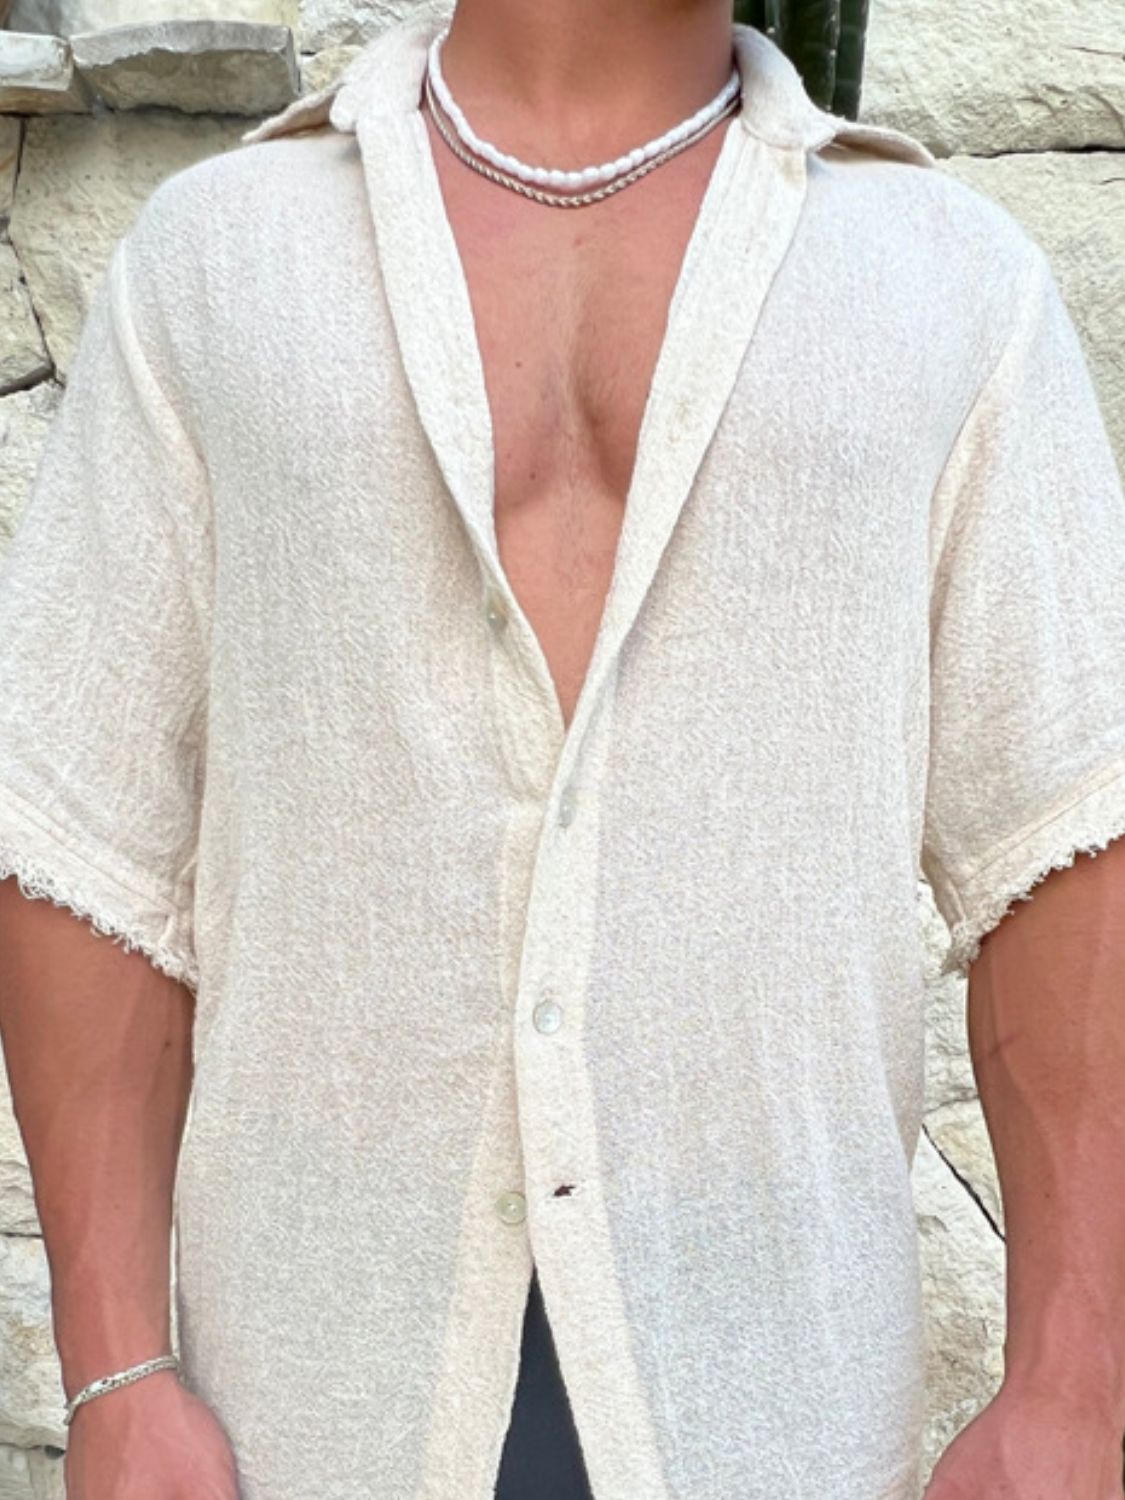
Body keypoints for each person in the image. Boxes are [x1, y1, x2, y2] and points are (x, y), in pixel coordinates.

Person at [2, 1, 1125, 1497]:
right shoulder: (218, 261)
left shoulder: (946, 281)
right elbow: (84, 830)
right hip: (315, 1376)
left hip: (768, 1378)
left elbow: (1064, 838)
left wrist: (1068, 1387)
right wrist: (117, 1374)